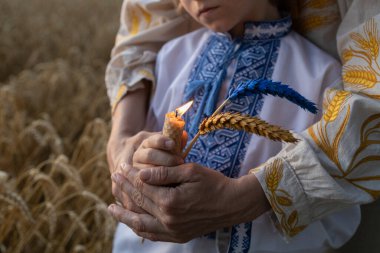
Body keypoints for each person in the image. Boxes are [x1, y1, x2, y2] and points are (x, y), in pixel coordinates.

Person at [106, 0, 380, 252]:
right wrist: (146, 162)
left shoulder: (322, 77)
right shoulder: (170, 57)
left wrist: (255, 202)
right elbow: (143, 159)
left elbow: (334, 217)